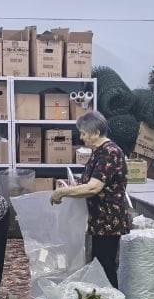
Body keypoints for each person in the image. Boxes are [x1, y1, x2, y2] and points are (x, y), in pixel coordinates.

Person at [50, 110, 130, 286]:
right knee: (98, 264)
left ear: (96, 132)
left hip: (108, 220)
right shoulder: (98, 152)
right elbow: (90, 181)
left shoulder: (110, 153)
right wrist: (71, 187)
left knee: (105, 266)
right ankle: (101, 298)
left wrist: (62, 192)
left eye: (84, 133)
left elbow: (94, 187)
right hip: (99, 219)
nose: (81, 138)